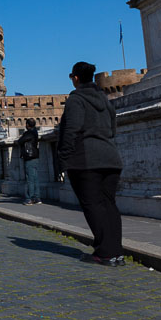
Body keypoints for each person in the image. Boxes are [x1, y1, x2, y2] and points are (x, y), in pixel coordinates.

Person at [58, 62, 125, 267]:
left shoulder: (76, 100)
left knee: (93, 206)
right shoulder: (105, 100)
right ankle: (115, 252)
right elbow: (113, 129)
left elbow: (72, 130)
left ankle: (105, 253)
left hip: (86, 161)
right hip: (111, 158)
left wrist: (63, 159)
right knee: (109, 205)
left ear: (75, 78)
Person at [18, 119, 42, 205]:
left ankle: (29, 198)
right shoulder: (35, 132)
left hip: (29, 157)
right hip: (35, 157)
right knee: (35, 178)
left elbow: (20, 141)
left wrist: (22, 137)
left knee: (30, 179)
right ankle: (37, 197)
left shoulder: (29, 133)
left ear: (28, 125)